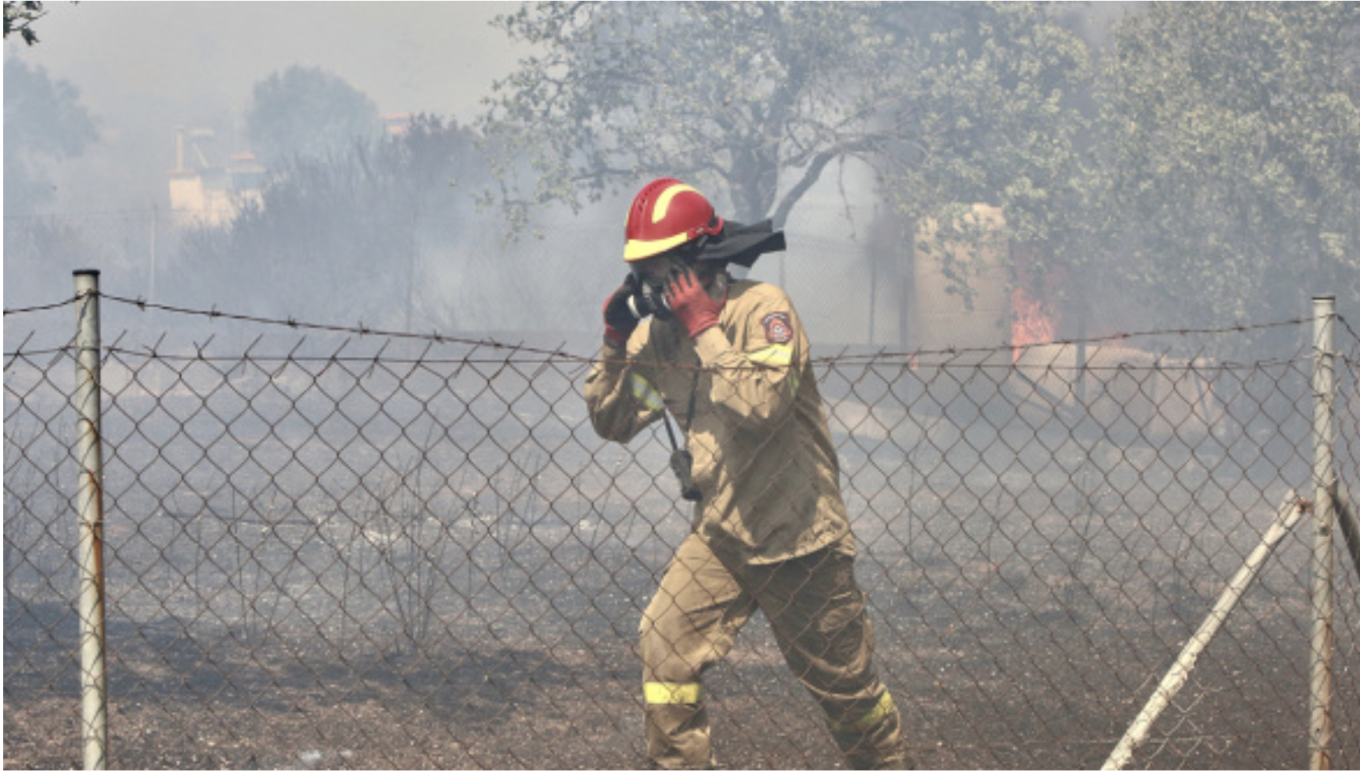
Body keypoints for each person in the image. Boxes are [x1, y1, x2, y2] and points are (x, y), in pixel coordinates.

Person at [585, 178, 909, 770]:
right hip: (721, 539)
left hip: (799, 541)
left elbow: (760, 407)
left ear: (696, 262)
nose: (651, 287)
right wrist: (613, 342)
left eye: (661, 271)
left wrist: (705, 327)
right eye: (643, 273)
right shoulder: (657, 335)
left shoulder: (762, 310)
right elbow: (614, 420)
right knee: (665, 654)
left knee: (847, 692)